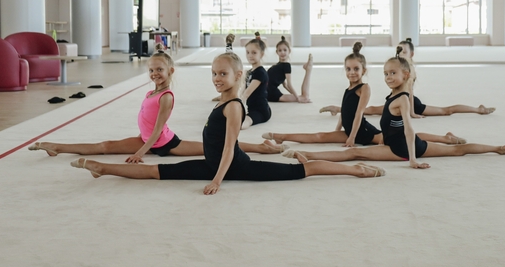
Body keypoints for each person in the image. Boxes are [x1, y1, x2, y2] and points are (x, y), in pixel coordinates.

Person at [70, 48, 386, 194]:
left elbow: (231, 147)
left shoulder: (234, 106)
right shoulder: (222, 100)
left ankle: (355, 169)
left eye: (223, 74)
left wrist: (218, 180)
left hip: (237, 167)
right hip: (211, 162)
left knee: (305, 171)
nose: (217, 79)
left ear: (238, 76)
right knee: (155, 172)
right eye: (213, 74)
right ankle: (102, 168)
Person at [29, 43, 279, 161]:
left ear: (170, 71)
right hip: (147, 140)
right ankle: (57, 146)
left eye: (160, 70)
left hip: (168, 144)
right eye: (151, 71)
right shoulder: (150, 93)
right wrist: (141, 145)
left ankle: (263, 148)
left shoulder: (166, 96)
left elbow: (159, 130)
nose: (154, 74)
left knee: (222, 146)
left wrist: (140, 151)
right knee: (105, 145)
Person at [282, 46, 505, 168]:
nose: (388, 77)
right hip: (395, 144)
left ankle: (499, 148)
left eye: (393, 73)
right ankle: (308, 154)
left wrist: (413, 160)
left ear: (405, 74)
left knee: (460, 151)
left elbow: (408, 129)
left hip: (404, 149)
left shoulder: (403, 99)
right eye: (386, 73)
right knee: (354, 152)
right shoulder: (392, 95)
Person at [262, 42, 466, 149]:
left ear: (363, 70)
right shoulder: (348, 88)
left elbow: (359, 114)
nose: (352, 73)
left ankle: (445, 139)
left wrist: (351, 139)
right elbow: (345, 112)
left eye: (356, 69)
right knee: (320, 136)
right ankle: (280, 137)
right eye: (349, 69)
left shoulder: (364, 88)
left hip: (366, 133)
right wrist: (337, 130)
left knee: (405, 137)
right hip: (351, 130)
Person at [319, 38, 495, 118]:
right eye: (399, 50)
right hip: (396, 99)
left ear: (411, 53)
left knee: (445, 110)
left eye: (404, 51)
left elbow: (409, 91)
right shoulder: (399, 66)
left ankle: (477, 109)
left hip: (410, 101)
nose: (401, 53)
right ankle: (339, 108)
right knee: (370, 109)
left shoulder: (409, 69)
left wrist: (411, 112)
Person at [266, 36, 313, 103]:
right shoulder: (286, 66)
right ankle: (308, 70)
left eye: (285, 50)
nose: (282, 52)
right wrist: (298, 98)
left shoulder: (277, 66)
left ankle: (308, 69)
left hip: (266, 92)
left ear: (289, 51)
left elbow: (285, 85)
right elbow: (289, 84)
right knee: (305, 97)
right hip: (272, 94)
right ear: (277, 52)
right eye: (280, 50)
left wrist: (294, 96)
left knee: (302, 96)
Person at [242, 32, 271, 129]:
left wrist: (237, 107)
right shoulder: (250, 72)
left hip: (261, 111)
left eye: (254, 53)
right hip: (251, 109)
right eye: (248, 52)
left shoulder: (260, 73)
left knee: (241, 124)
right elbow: (242, 89)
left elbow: (246, 93)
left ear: (261, 54)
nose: (250, 55)